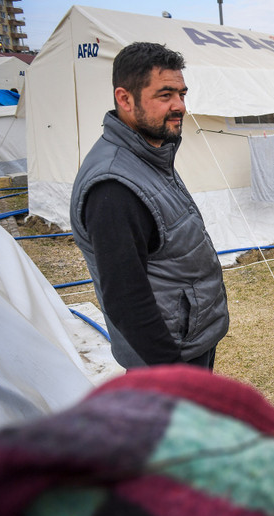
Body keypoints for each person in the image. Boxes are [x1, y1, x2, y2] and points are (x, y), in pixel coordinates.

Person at [69, 42, 229, 371]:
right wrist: (173, 372)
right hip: (166, 360)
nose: (179, 105)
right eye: (165, 95)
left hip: (189, 341)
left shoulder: (151, 154)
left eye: (182, 94)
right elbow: (126, 299)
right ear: (125, 99)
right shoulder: (114, 186)